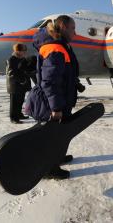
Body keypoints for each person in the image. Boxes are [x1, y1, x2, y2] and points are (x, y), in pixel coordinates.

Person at [32, 15, 80, 179]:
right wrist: (56, 107)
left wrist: (76, 83)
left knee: (60, 134)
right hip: (54, 102)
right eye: (73, 28)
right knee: (52, 137)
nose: (75, 33)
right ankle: (49, 169)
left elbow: (64, 72)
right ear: (63, 26)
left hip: (62, 98)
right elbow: (50, 81)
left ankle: (58, 157)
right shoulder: (55, 48)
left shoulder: (61, 46)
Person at [6, 43, 31, 124]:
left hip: (21, 85)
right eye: (24, 51)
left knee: (20, 101)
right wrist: (21, 80)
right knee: (14, 103)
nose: (25, 52)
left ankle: (19, 114)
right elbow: (11, 73)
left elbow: (24, 70)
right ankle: (13, 118)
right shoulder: (12, 59)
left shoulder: (22, 59)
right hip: (14, 85)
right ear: (18, 51)